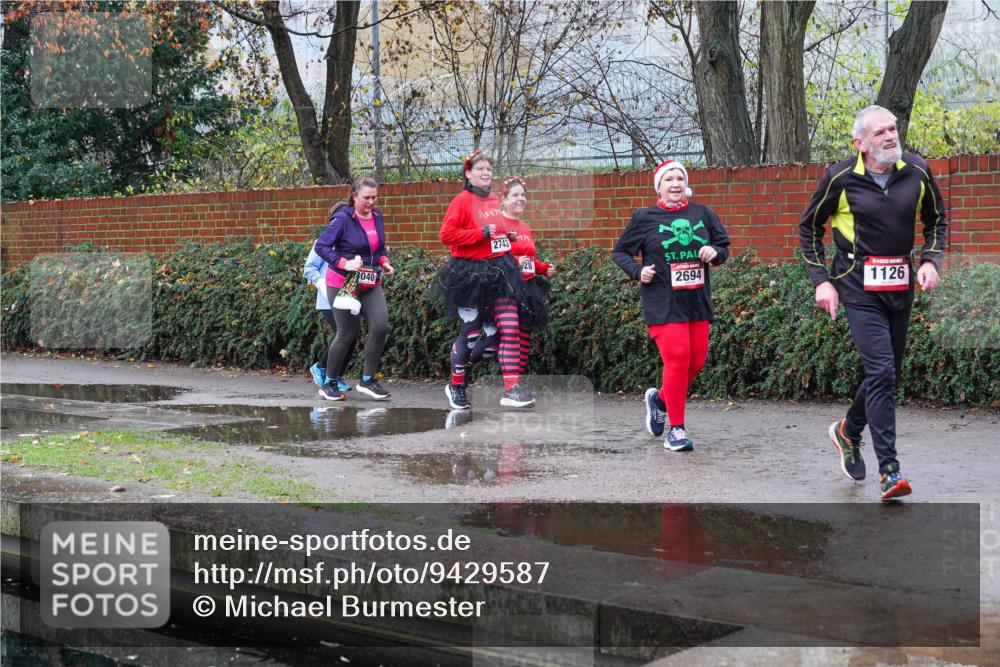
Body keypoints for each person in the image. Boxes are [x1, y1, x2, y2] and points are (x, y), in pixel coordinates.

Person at [799, 104, 946, 501]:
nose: (891, 136)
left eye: (893, 129)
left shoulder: (916, 171)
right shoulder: (840, 178)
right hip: (856, 286)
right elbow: (809, 229)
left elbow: (936, 221)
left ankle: (848, 430)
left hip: (900, 288)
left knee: (887, 373)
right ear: (860, 143)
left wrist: (931, 261)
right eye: (881, 132)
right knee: (881, 370)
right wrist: (822, 283)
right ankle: (889, 470)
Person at [612, 160, 730, 451]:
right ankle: (676, 430)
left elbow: (724, 247)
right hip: (662, 300)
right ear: (659, 187)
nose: (675, 184)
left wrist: (714, 251)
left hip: (696, 300)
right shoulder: (644, 217)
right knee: (677, 358)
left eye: (679, 178)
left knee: (696, 362)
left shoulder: (703, 213)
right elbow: (620, 252)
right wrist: (638, 272)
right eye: (668, 179)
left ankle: (660, 400)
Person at [434, 151, 533, 410]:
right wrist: (478, 233)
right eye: (480, 169)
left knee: (502, 331)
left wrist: (505, 238)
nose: (486, 172)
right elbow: (446, 235)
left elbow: (494, 234)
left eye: (489, 168)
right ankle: (456, 386)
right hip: (468, 274)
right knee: (471, 333)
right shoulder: (461, 201)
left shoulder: (491, 200)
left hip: (498, 272)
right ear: (469, 173)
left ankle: (511, 388)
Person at [313, 177, 396, 401]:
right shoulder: (342, 219)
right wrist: (344, 263)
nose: (371, 202)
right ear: (354, 196)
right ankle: (329, 383)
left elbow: (379, 248)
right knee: (347, 334)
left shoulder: (377, 217)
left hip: (369, 282)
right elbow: (321, 246)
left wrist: (384, 262)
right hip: (342, 284)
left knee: (381, 326)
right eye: (366, 197)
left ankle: (367, 380)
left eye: (374, 197)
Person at [466, 176, 556, 379]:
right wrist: (515, 260)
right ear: (504, 199)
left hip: (526, 288)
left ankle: (515, 384)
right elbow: (491, 254)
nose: (521, 199)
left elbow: (529, 259)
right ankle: (466, 368)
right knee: (510, 331)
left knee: (521, 336)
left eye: (523, 195)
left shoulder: (524, 227)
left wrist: (543, 269)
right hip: (502, 287)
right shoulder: (497, 223)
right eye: (515, 195)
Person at [303, 245, 355, 393]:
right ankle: (320, 368)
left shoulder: (353, 241)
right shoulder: (324, 242)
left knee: (352, 336)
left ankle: (336, 376)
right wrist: (322, 285)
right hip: (328, 299)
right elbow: (309, 269)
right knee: (343, 333)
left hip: (350, 296)